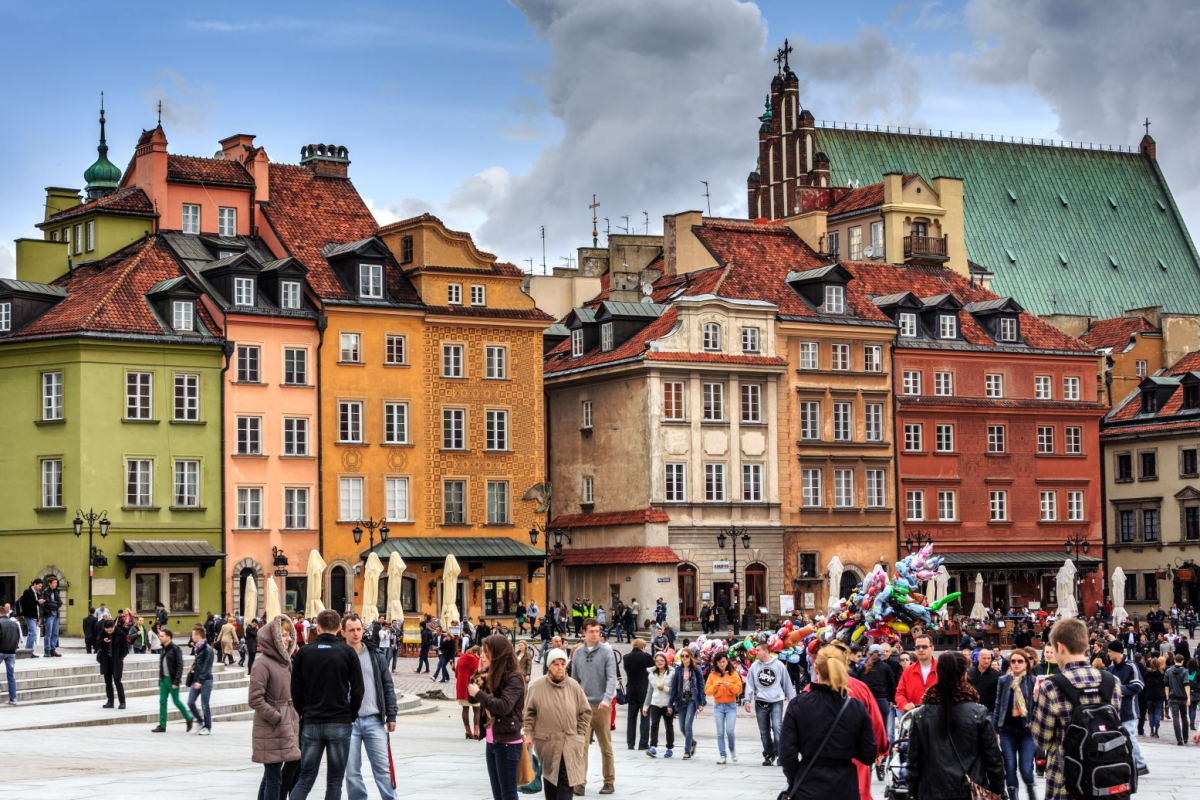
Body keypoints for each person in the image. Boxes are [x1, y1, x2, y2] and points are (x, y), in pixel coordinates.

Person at [1032, 617, 1126, 800]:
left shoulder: (1052, 685)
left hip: (1066, 779)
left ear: (1060, 647)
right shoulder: (1111, 681)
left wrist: (1037, 701)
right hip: (1106, 777)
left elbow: (1042, 740)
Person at [779, 645, 877, 800]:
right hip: (845, 786)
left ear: (816, 669)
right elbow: (868, 755)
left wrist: (796, 778)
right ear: (842, 668)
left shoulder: (798, 704)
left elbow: (786, 754)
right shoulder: (855, 707)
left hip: (809, 784)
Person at [908, 651, 1007, 799]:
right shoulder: (978, 712)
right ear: (964, 675)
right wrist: (998, 790)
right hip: (969, 789)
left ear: (937, 674)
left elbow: (913, 761)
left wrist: (912, 793)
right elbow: (993, 758)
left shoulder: (921, 715)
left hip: (931, 790)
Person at [290, 609, 364, 800]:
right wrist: (351, 714)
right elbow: (358, 689)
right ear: (340, 628)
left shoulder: (304, 653)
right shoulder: (347, 652)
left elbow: (296, 690)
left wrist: (304, 712)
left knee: (305, 778)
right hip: (339, 720)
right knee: (335, 780)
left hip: (312, 720)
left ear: (318, 627)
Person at [342, 613, 398, 800]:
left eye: (359, 629)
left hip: (374, 720)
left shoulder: (376, 655)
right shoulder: (339, 656)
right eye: (351, 630)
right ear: (343, 632)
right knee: (351, 772)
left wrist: (391, 715)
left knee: (383, 768)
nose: (356, 633)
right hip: (349, 722)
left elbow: (387, 685)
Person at [525, 648, 591, 800]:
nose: (560, 667)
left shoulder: (573, 686)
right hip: (547, 744)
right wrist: (528, 734)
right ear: (549, 666)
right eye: (556, 664)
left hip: (569, 743)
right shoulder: (537, 686)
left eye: (563, 663)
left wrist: (579, 733)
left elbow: (585, 712)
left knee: (565, 782)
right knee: (550, 783)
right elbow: (529, 713)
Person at [468, 635, 527, 800]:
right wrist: (478, 674)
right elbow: (472, 698)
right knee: (497, 794)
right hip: (492, 742)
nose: (482, 656)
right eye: (482, 652)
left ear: (498, 653)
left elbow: (503, 706)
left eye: (486, 652)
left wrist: (479, 693)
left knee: (508, 794)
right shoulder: (489, 674)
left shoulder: (514, 677)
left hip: (508, 744)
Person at [250, 615, 301, 800]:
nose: (288, 639)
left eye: (289, 635)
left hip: (288, 724)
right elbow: (255, 699)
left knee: (273, 774)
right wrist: (276, 716)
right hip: (272, 727)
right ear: (274, 639)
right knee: (273, 776)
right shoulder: (262, 663)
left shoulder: (285, 662)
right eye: (284, 635)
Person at [567, 618, 617, 794]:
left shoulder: (606, 651)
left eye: (598, 631)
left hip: (602, 706)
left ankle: (609, 781)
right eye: (592, 631)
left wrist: (607, 698)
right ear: (584, 633)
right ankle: (580, 782)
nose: (596, 634)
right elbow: (574, 680)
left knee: (606, 746)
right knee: (581, 746)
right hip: (583, 708)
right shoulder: (578, 653)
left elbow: (612, 677)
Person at [995, 646, 1037, 800]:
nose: (1016, 664)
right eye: (1013, 661)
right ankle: (1014, 797)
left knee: (1026, 769)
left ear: (1026, 663)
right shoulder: (1003, 680)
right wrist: (995, 727)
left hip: (1027, 731)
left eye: (1020, 661)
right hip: (1007, 730)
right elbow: (998, 704)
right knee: (1010, 767)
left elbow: (1037, 705)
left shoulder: (1032, 680)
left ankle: (1032, 794)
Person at [745, 640, 796, 766]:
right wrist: (747, 700)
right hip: (761, 702)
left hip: (776, 701)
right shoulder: (754, 666)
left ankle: (780, 754)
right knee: (764, 731)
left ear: (765, 651)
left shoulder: (778, 665)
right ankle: (769, 754)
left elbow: (787, 683)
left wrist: (793, 701)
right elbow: (749, 684)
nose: (755, 652)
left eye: (758, 650)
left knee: (778, 728)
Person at [1106, 639, 1146, 772]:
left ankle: (1140, 764)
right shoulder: (1110, 668)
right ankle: (1120, 763)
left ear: (1117, 652)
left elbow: (1139, 685)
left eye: (1110, 651)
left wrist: (1120, 689)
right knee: (1115, 737)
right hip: (1113, 710)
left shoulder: (1131, 666)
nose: (1108, 653)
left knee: (1129, 735)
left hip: (1128, 709)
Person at [152, 628, 194, 733]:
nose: (160, 638)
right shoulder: (162, 649)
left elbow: (180, 665)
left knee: (176, 701)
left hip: (172, 680)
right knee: (162, 701)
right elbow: (162, 665)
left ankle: (189, 718)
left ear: (168, 637)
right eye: (159, 636)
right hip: (163, 679)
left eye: (162, 636)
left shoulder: (176, 649)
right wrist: (160, 679)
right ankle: (162, 725)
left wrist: (176, 680)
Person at [705, 651, 743, 764]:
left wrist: (729, 685)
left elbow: (739, 689)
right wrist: (715, 686)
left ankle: (732, 749)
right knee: (720, 732)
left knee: (730, 730)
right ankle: (722, 755)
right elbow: (707, 691)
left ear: (727, 662)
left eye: (723, 662)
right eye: (719, 662)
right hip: (718, 706)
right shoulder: (712, 676)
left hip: (731, 705)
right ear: (716, 664)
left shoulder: (733, 674)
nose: (722, 664)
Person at [669, 646, 706, 759]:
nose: (684, 658)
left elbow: (701, 686)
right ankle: (692, 742)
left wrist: (702, 702)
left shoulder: (696, 670)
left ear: (691, 657)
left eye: (686, 656)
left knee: (688, 726)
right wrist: (670, 704)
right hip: (681, 701)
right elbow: (674, 687)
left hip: (692, 701)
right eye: (682, 656)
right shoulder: (678, 670)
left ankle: (687, 751)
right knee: (682, 728)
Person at [858, 644, 896, 741]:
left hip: (865, 702)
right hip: (881, 702)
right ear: (881, 655)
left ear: (868, 654)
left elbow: (858, 684)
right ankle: (882, 755)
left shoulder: (862, 667)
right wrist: (891, 699)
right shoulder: (885, 667)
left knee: (865, 733)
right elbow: (892, 685)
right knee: (882, 733)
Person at [642, 651, 676, 758]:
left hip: (667, 704)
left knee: (669, 726)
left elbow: (674, 690)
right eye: (657, 660)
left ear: (666, 661)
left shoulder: (672, 673)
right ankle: (653, 747)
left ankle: (669, 748)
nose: (659, 662)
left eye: (662, 660)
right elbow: (649, 691)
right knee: (654, 725)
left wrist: (665, 688)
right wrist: (646, 706)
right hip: (655, 703)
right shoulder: (652, 674)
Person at [622, 638, 653, 751]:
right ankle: (643, 743)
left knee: (631, 718)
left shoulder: (626, 657)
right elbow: (652, 671)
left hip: (631, 690)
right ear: (643, 647)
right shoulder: (647, 657)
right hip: (644, 690)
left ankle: (630, 743)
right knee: (645, 717)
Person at [895, 632, 938, 712]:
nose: (921, 649)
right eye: (917, 647)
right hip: (914, 715)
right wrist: (904, 704)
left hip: (938, 715)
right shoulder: (908, 671)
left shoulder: (942, 668)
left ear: (932, 648)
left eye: (924, 647)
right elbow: (900, 693)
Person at [94, 615, 129, 709]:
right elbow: (97, 645)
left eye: (110, 629)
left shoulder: (120, 633)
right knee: (108, 682)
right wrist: (103, 641)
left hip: (116, 661)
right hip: (106, 661)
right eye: (107, 629)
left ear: (114, 626)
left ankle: (122, 702)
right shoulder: (102, 633)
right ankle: (110, 701)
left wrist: (120, 657)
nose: (109, 631)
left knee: (118, 681)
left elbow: (125, 648)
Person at [186, 624, 215, 735]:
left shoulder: (208, 649)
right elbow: (199, 661)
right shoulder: (198, 647)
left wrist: (200, 681)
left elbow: (207, 667)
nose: (191, 636)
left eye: (193, 634)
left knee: (205, 705)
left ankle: (207, 727)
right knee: (190, 702)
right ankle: (199, 720)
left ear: (198, 635)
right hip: (197, 679)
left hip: (205, 680)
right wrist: (193, 666)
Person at [1165, 653, 1191, 745]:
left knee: (1175, 718)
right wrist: (1188, 697)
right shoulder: (1185, 671)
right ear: (1183, 661)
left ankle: (1179, 740)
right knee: (1184, 717)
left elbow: (1166, 685)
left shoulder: (1168, 671)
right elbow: (1186, 684)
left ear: (1174, 660)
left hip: (1173, 697)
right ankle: (1185, 738)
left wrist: (1167, 697)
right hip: (1183, 697)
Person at [458, 645, 483, 739]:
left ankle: (468, 731)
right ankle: (476, 732)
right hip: (472, 686)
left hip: (462, 686)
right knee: (476, 709)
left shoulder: (461, 658)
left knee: (465, 709)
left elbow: (457, 673)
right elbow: (478, 673)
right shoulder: (475, 660)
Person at [969, 648, 1000, 714]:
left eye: (988, 658)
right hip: (972, 709)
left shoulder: (996, 675)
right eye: (984, 658)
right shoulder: (969, 673)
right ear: (978, 658)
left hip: (989, 711)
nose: (986, 661)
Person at [19, 578, 44, 657]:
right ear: (35, 584)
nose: (40, 588)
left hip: (34, 616)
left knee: (33, 633)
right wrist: (37, 602)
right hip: (28, 615)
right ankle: (28, 652)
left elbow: (37, 608)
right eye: (39, 586)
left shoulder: (37, 593)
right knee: (32, 633)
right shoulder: (27, 592)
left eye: (41, 586)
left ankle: (29, 652)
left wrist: (38, 618)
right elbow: (27, 604)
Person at [1144, 656, 1166, 738]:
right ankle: (1156, 730)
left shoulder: (1147, 673)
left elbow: (1145, 684)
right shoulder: (1161, 673)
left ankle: (1151, 730)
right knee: (1157, 713)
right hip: (1159, 695)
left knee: (1151, 712)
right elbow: (1164, 684)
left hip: (1149, 695)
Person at [0, 611, 20, 705]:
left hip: (1, 651)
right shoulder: (14, 624)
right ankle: (13, 698)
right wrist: (14, 649)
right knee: (11, 676)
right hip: (11, 652)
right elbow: (18, 638)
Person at [40, 576, 62, 657]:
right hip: (49, 615)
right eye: (54, 583)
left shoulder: (55, 592)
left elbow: (60, 602)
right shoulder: (45, 592)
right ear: (49, 583)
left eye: (56, 582)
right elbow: (47, 604)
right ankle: (47, 650)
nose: (56, 584)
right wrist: (55, 604)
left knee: (55, 633)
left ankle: (53, 649)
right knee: (48, 633)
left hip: (56, 615)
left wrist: (54, 604)